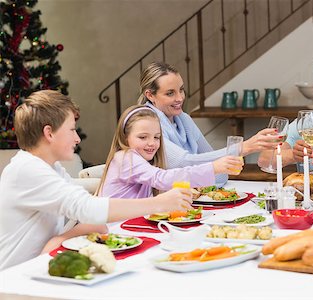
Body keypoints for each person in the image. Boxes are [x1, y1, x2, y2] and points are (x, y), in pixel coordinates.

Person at [0, 90, 192, 270]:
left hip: (45, 266)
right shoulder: (28, 170)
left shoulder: (51, 167)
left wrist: (63, 237)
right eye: (72, 130)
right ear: (49, 133)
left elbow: (81, 204)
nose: (77, 139)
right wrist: (159, 203)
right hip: (16, 278)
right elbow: (88, 209)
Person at [137, 61, 281, 187]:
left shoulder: (183, 119)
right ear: (150, 95)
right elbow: (183, 163)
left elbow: (219, 172)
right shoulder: (146, 123)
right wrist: (243, 148)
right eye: (170, 93)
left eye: (181, 90)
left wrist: (209, 171)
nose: (180, 98)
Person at [97, 104, 243, 198]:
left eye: (157, 137)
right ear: (125, 137)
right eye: (142, 137)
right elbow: (162, 178)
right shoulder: (126, 158)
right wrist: (213, 168)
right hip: (114, 230)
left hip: (130, 225)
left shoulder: (144, 161)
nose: (151, 143)